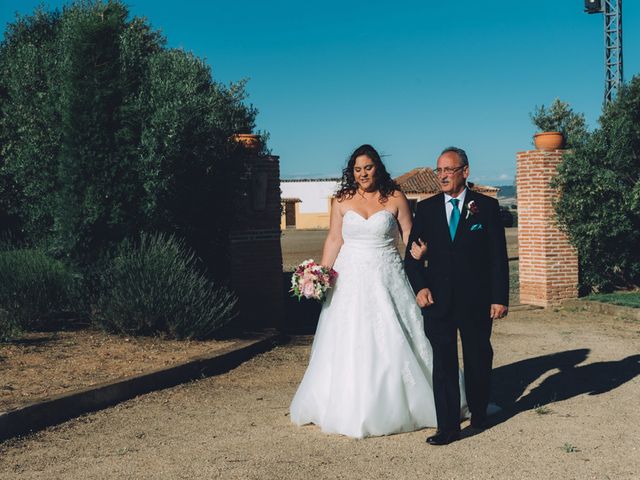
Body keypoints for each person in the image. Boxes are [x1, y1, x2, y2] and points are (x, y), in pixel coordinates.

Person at [289, 144, 467, 438]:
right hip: (350, 278)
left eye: (368, 168)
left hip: (388, 274)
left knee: (398, 333)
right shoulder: (342, 200)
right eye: (358, 169)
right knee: (348, 337)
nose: (363, 174)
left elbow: (409, 235)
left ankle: (428, 401)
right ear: (352, 172)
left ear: (378, 168)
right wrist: (320, 272)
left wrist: (422, 259)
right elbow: (335, 239)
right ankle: (346, 404)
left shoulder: (395, 197)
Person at [404, 146, 509, 446]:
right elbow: (411, 258)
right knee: (444, 364)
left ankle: (478, 412)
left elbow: (497, 259)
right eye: (439, 170)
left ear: (465, 171)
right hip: (438, 301)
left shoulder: (486, 208)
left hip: (476, 301)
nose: (442, 176)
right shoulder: (425, 210)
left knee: (478, 357)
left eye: (448, 170)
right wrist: (420, 286)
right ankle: (447, 427)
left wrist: (499, 297)